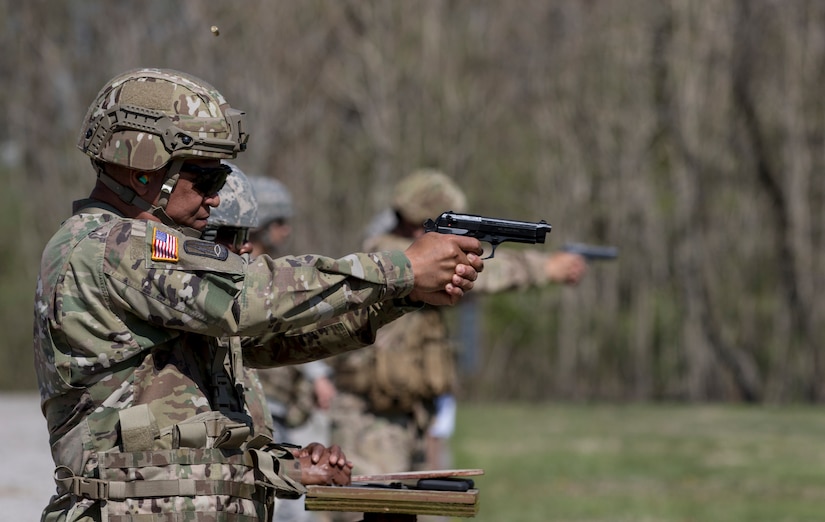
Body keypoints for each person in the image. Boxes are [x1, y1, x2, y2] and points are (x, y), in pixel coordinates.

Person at [33, 69, 483, 522]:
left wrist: (404, 297)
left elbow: (275, 340)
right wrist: (399, 270)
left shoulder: (150, 268)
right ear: (143, 170)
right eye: (205, 179)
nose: (215, 198)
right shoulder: (107, 245)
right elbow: (247, 294)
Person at [329, 169, 586, 481]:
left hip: (413, 415)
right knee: (368, 511)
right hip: (369, 418)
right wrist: (546, 268)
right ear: (419, 219)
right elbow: (490, 274)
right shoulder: (389, 253)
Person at [245, 176, 337, 522]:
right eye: (278, 223)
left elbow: (298, 324)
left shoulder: (274, 268)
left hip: (278, 404)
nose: (285, 231)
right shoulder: (243, 271)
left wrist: (318, 375)